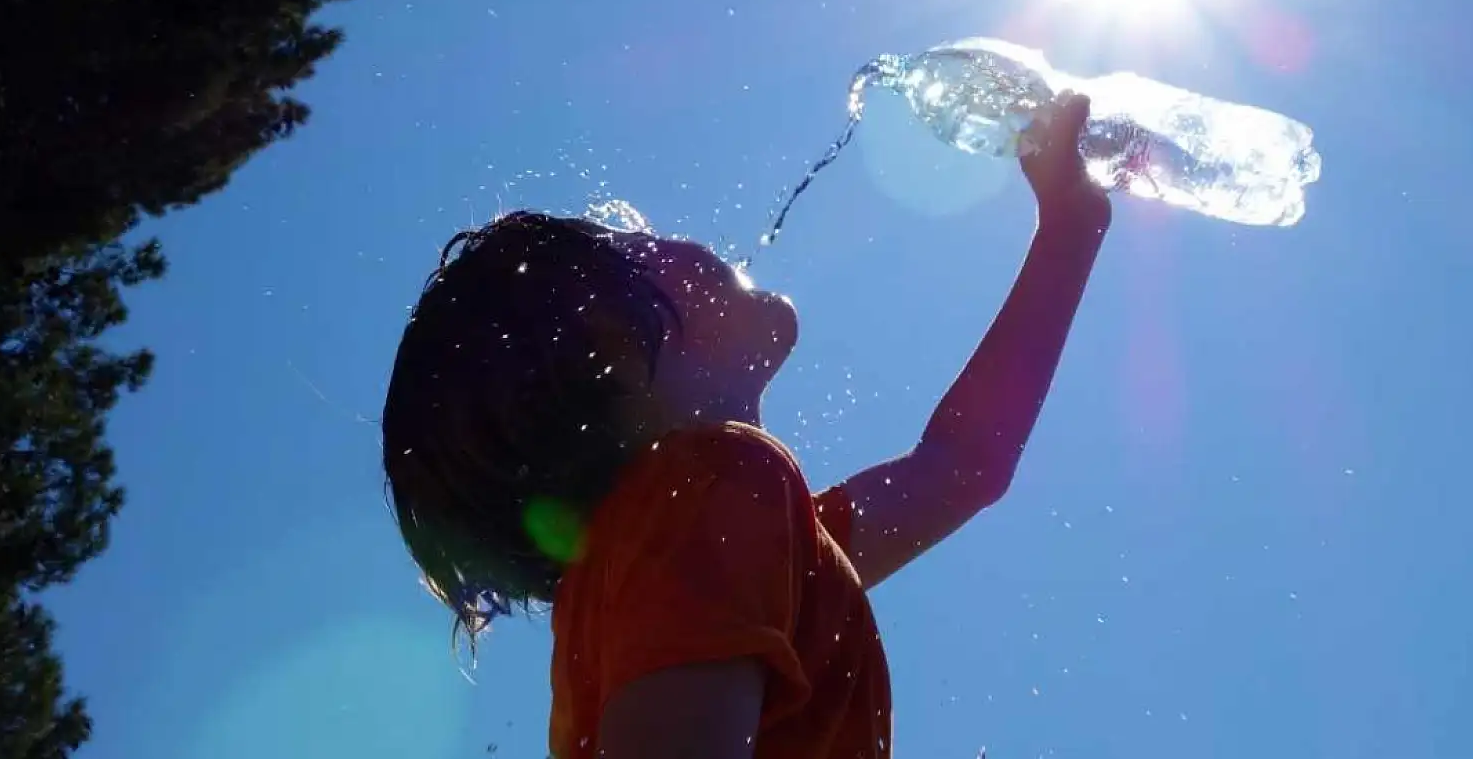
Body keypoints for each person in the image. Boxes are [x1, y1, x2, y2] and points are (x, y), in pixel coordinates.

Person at [380, 92, 1110, 759]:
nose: (669, 237)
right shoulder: (706, 492)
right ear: (611, 353)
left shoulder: (715, 545)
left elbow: (962, 464)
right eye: (633, 244)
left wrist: (1070, 229)